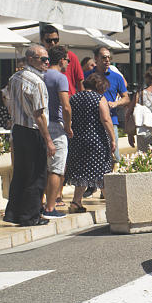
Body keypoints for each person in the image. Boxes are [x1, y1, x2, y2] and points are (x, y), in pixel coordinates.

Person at [3, 45, 55, 227]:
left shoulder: (14, 77)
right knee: (37, 175)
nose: (47, 62)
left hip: (18, 129)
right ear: (31, 59)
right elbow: (39, 114)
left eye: (48, 59)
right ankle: (31, 216)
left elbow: (7, 99)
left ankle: (14, 214)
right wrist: (48, 140)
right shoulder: (37, 82)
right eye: (43, 59)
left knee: (20, 173)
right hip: (33, 131)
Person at [64, 73, 115, 213]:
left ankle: (76, 202)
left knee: (82, 171)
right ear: (100, 86)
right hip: (96, 140)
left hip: (77, 139)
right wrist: (112, 138)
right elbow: (105, 119)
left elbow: (67, 114)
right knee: (102, 170)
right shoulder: (99, 98)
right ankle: (113, 202)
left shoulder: (73, 98)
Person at [41, 45, 73, 218]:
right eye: (67, 60)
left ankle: (40, 204)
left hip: (39, 125)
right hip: (55, 125)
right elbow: (66, 106)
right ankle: (50, 207)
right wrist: (67, 126)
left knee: (42, 168)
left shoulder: (40, 75)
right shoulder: (60, 78)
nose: (68, 63)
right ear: (61, 60)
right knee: (56, 169)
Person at [84, 46, 129, 163]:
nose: (107, 60)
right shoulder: (87, 76)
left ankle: (115, 178)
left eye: (109, 57)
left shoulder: (117, 77)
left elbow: (126, 98)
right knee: (92, 156)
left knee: (114, 155)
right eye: (104, 58)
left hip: (111, 120)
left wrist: (115, 103)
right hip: (90, 121)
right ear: (96, 59)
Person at [40, 24, 84, 96]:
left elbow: (80, 80)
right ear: (42, 41)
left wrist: (83, 100)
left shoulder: (70, 56)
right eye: (49, 41)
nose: (53, 43)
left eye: (56, 40)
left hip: (70, 100)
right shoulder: (40, 59)